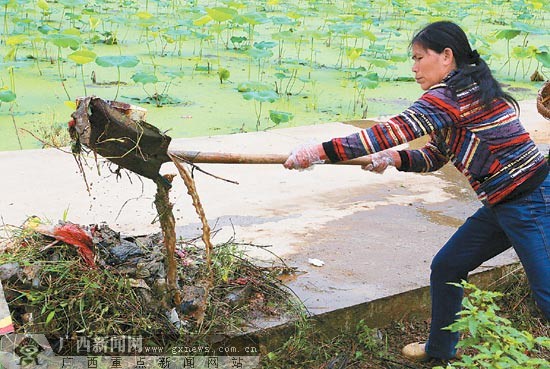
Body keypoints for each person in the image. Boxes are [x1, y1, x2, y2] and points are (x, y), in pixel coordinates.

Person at [283, 20, 550, 362]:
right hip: (504, 202)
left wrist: (317, 152)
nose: (413, 67)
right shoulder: (466, 90)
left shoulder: (450, 96)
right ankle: (439, 353)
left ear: (446, 56)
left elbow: (390, 130)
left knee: (546, 297)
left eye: (419, 57)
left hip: (530, 201)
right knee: (448, 266)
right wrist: (394, 158)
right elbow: (436, 156)